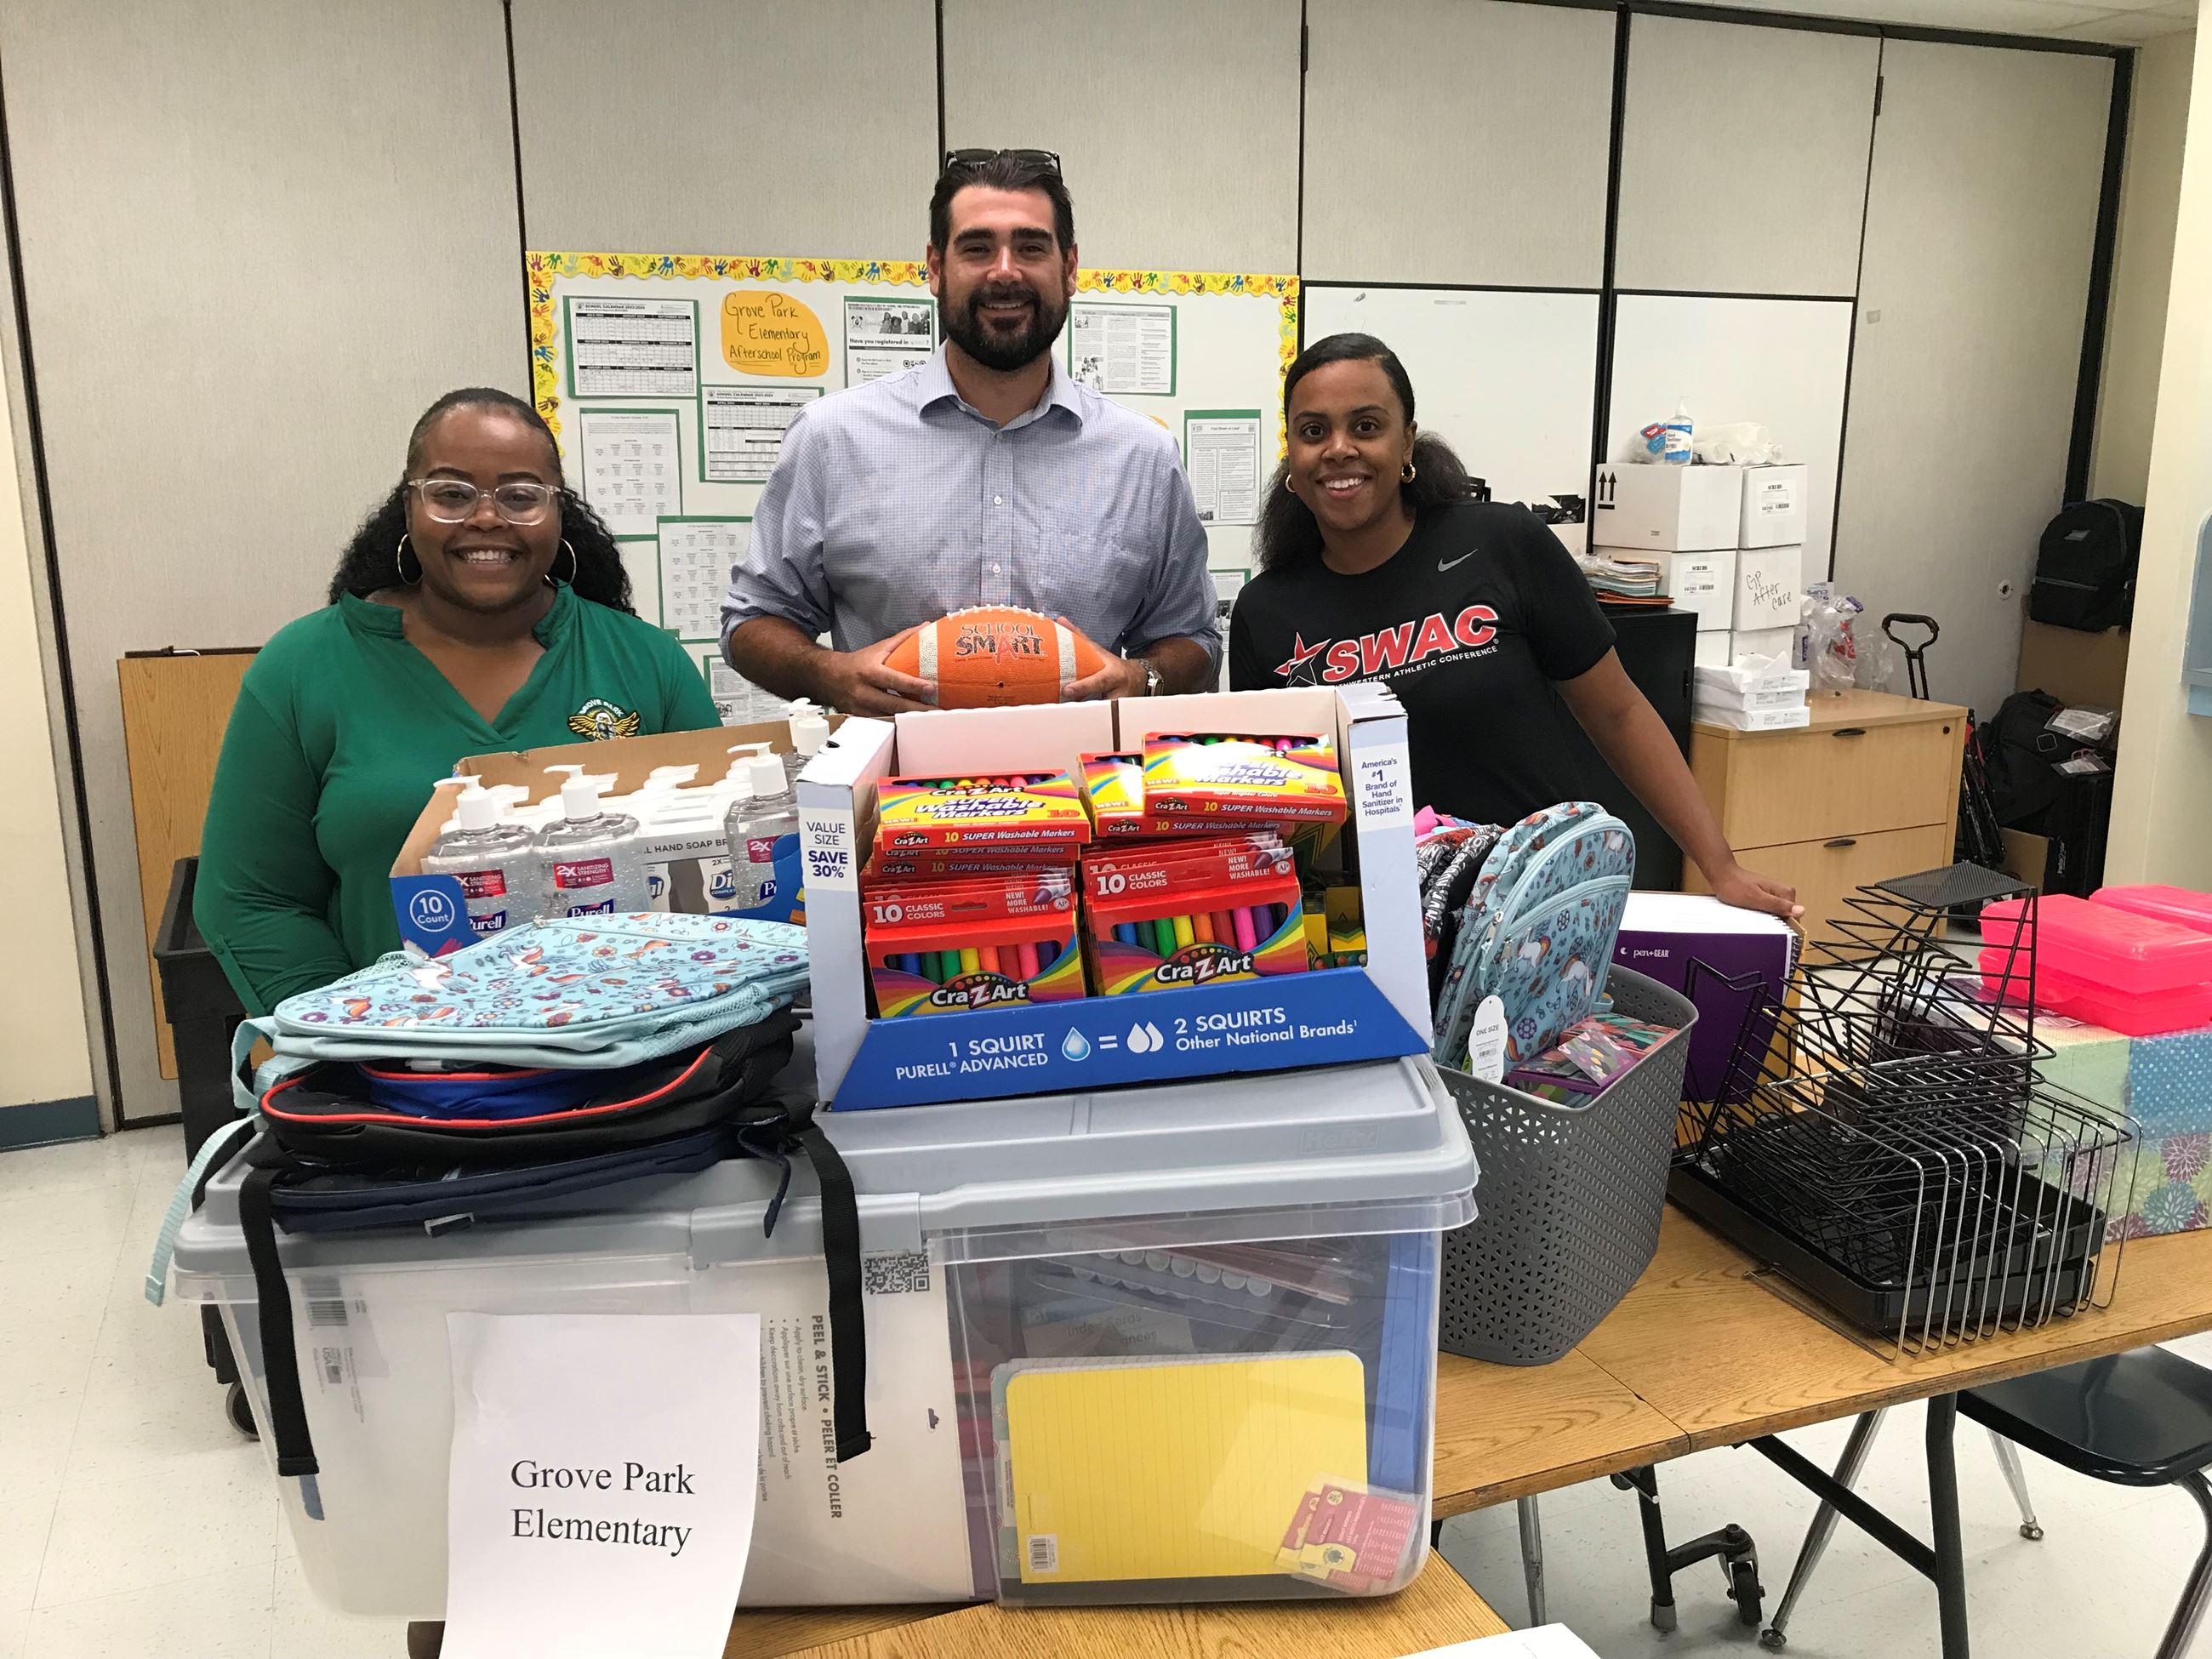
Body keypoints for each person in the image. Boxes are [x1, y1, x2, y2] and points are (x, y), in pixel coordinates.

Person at [1229, 334, 1799, 919]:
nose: (1339, 449)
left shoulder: (1502, 545)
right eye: (1314, 431)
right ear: (1293, 456)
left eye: (1367, 426)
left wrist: (1720, 866)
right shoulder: (1265, 612)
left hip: (1534, 908)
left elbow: (1619, 713)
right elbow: (1271, 803)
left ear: (1407, 443)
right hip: (1363, 922)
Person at [195, 387, 722, 1014]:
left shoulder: (649, 663)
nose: (487, 518)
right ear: (409, 507)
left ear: (558, 511)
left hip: (631, 1044)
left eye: (520, 496)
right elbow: (251, 901)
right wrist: (353, 1033)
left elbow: (717, 877)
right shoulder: (302, 668)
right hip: (390, 1057)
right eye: (451, 494)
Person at [721, 148, 1219, 714]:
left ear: (1070, 268)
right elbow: (752, 620)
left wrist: (1145, 677)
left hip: (1082, 769)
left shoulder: (1143, 455)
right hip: (894, 770)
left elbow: (1195, 639)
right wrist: (828, 674)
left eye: (1031, 247)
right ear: (936, 268)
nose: (1005, 271)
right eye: (977, 248)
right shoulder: (833, 438)